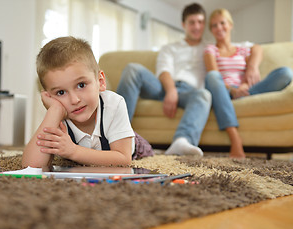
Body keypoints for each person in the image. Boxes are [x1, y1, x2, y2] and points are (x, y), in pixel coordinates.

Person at [22, 36, 153, 168]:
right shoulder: (58, 114)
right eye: (60, 93)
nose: (75, 100)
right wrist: (54, 111)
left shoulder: (114, 104)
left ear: (100, 82)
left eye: (81, 85)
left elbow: (123, 159)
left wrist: (73, 151)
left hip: (133, 148)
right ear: (49, 97)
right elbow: (31, 167)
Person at [116, 3, 211, 156]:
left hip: (192, 93)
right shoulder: (170, 47)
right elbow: (164, 70)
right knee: (132, 69)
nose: (196, 26)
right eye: (192, 22)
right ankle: (116, 132)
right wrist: (171, 90)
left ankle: (182, 141)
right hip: (163, 87)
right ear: (183, 24)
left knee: (205, 95)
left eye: (200, 22)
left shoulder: (210, 49)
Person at [204, 8, 293, 158]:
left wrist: (250, 72)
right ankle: (236, 139)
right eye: (214, 25)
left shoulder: (242, 50)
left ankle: (241, 96)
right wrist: (232, 90)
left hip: (246, 91)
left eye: (222, 23)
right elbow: (214, 75)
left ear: (230, 25)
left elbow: (257, 49)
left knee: (285, 73)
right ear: (211, 30)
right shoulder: (211, 50)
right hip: (224, 92)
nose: (219, 28)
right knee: (212, 77)